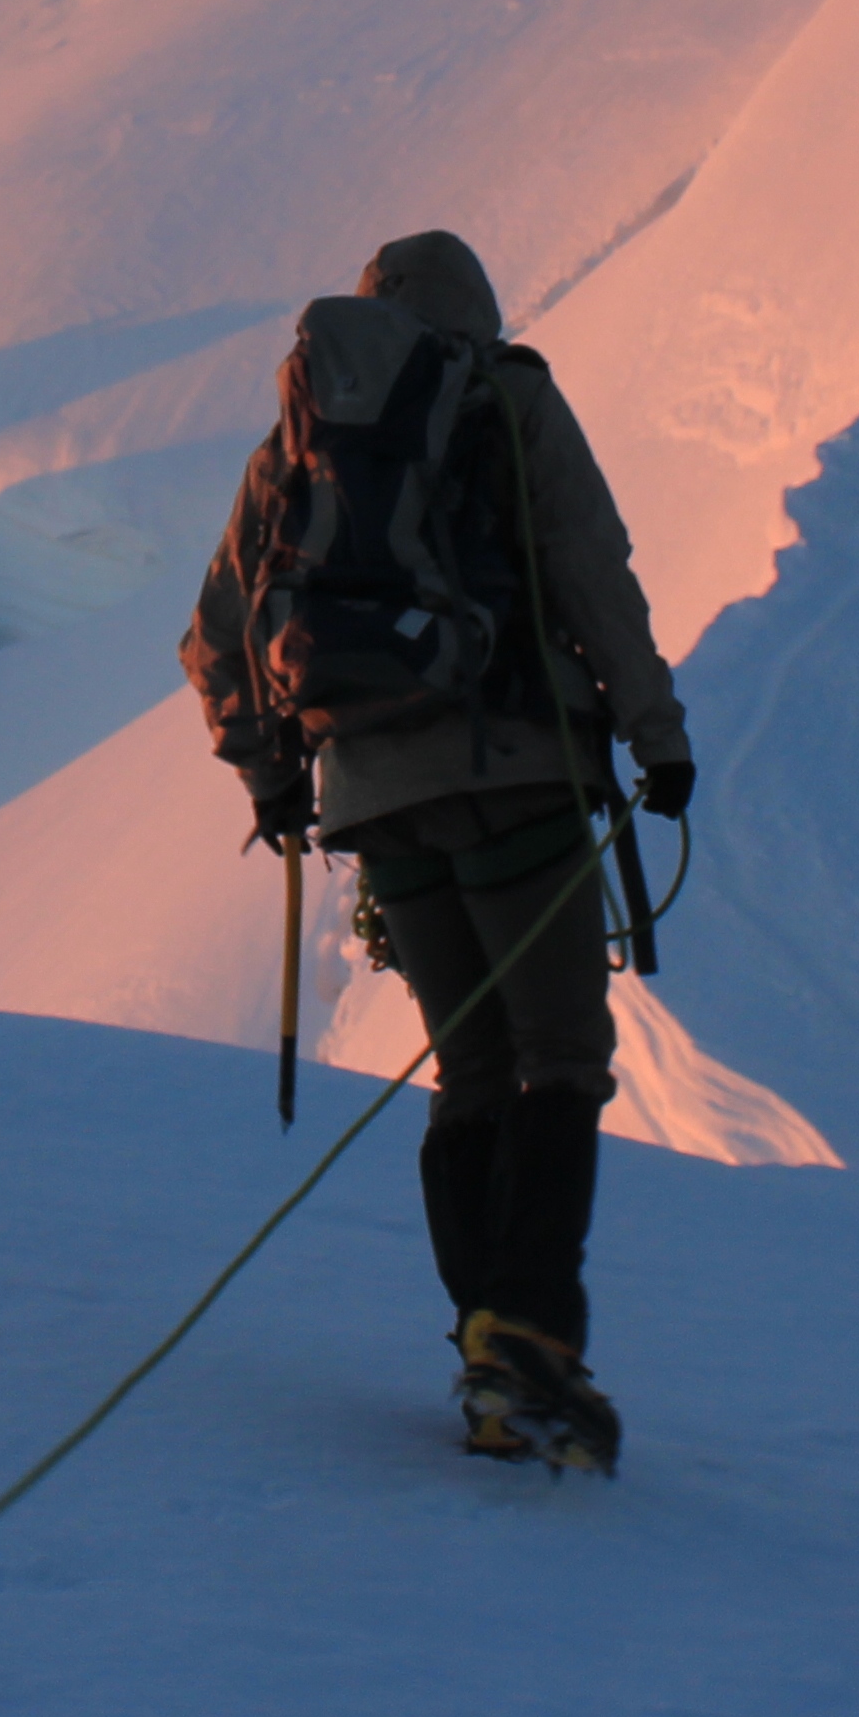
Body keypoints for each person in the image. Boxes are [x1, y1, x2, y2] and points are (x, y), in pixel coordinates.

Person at [181, 230, 693, 1467]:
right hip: (516, 770)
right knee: (559, 1055)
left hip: (373, 801)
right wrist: (656, 731)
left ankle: (487, 1347)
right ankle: (533, 1337)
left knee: (469, 1072)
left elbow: (217, 633)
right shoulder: (507, 399)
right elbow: (591, 571)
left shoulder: (298, 440)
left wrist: (273, 781)